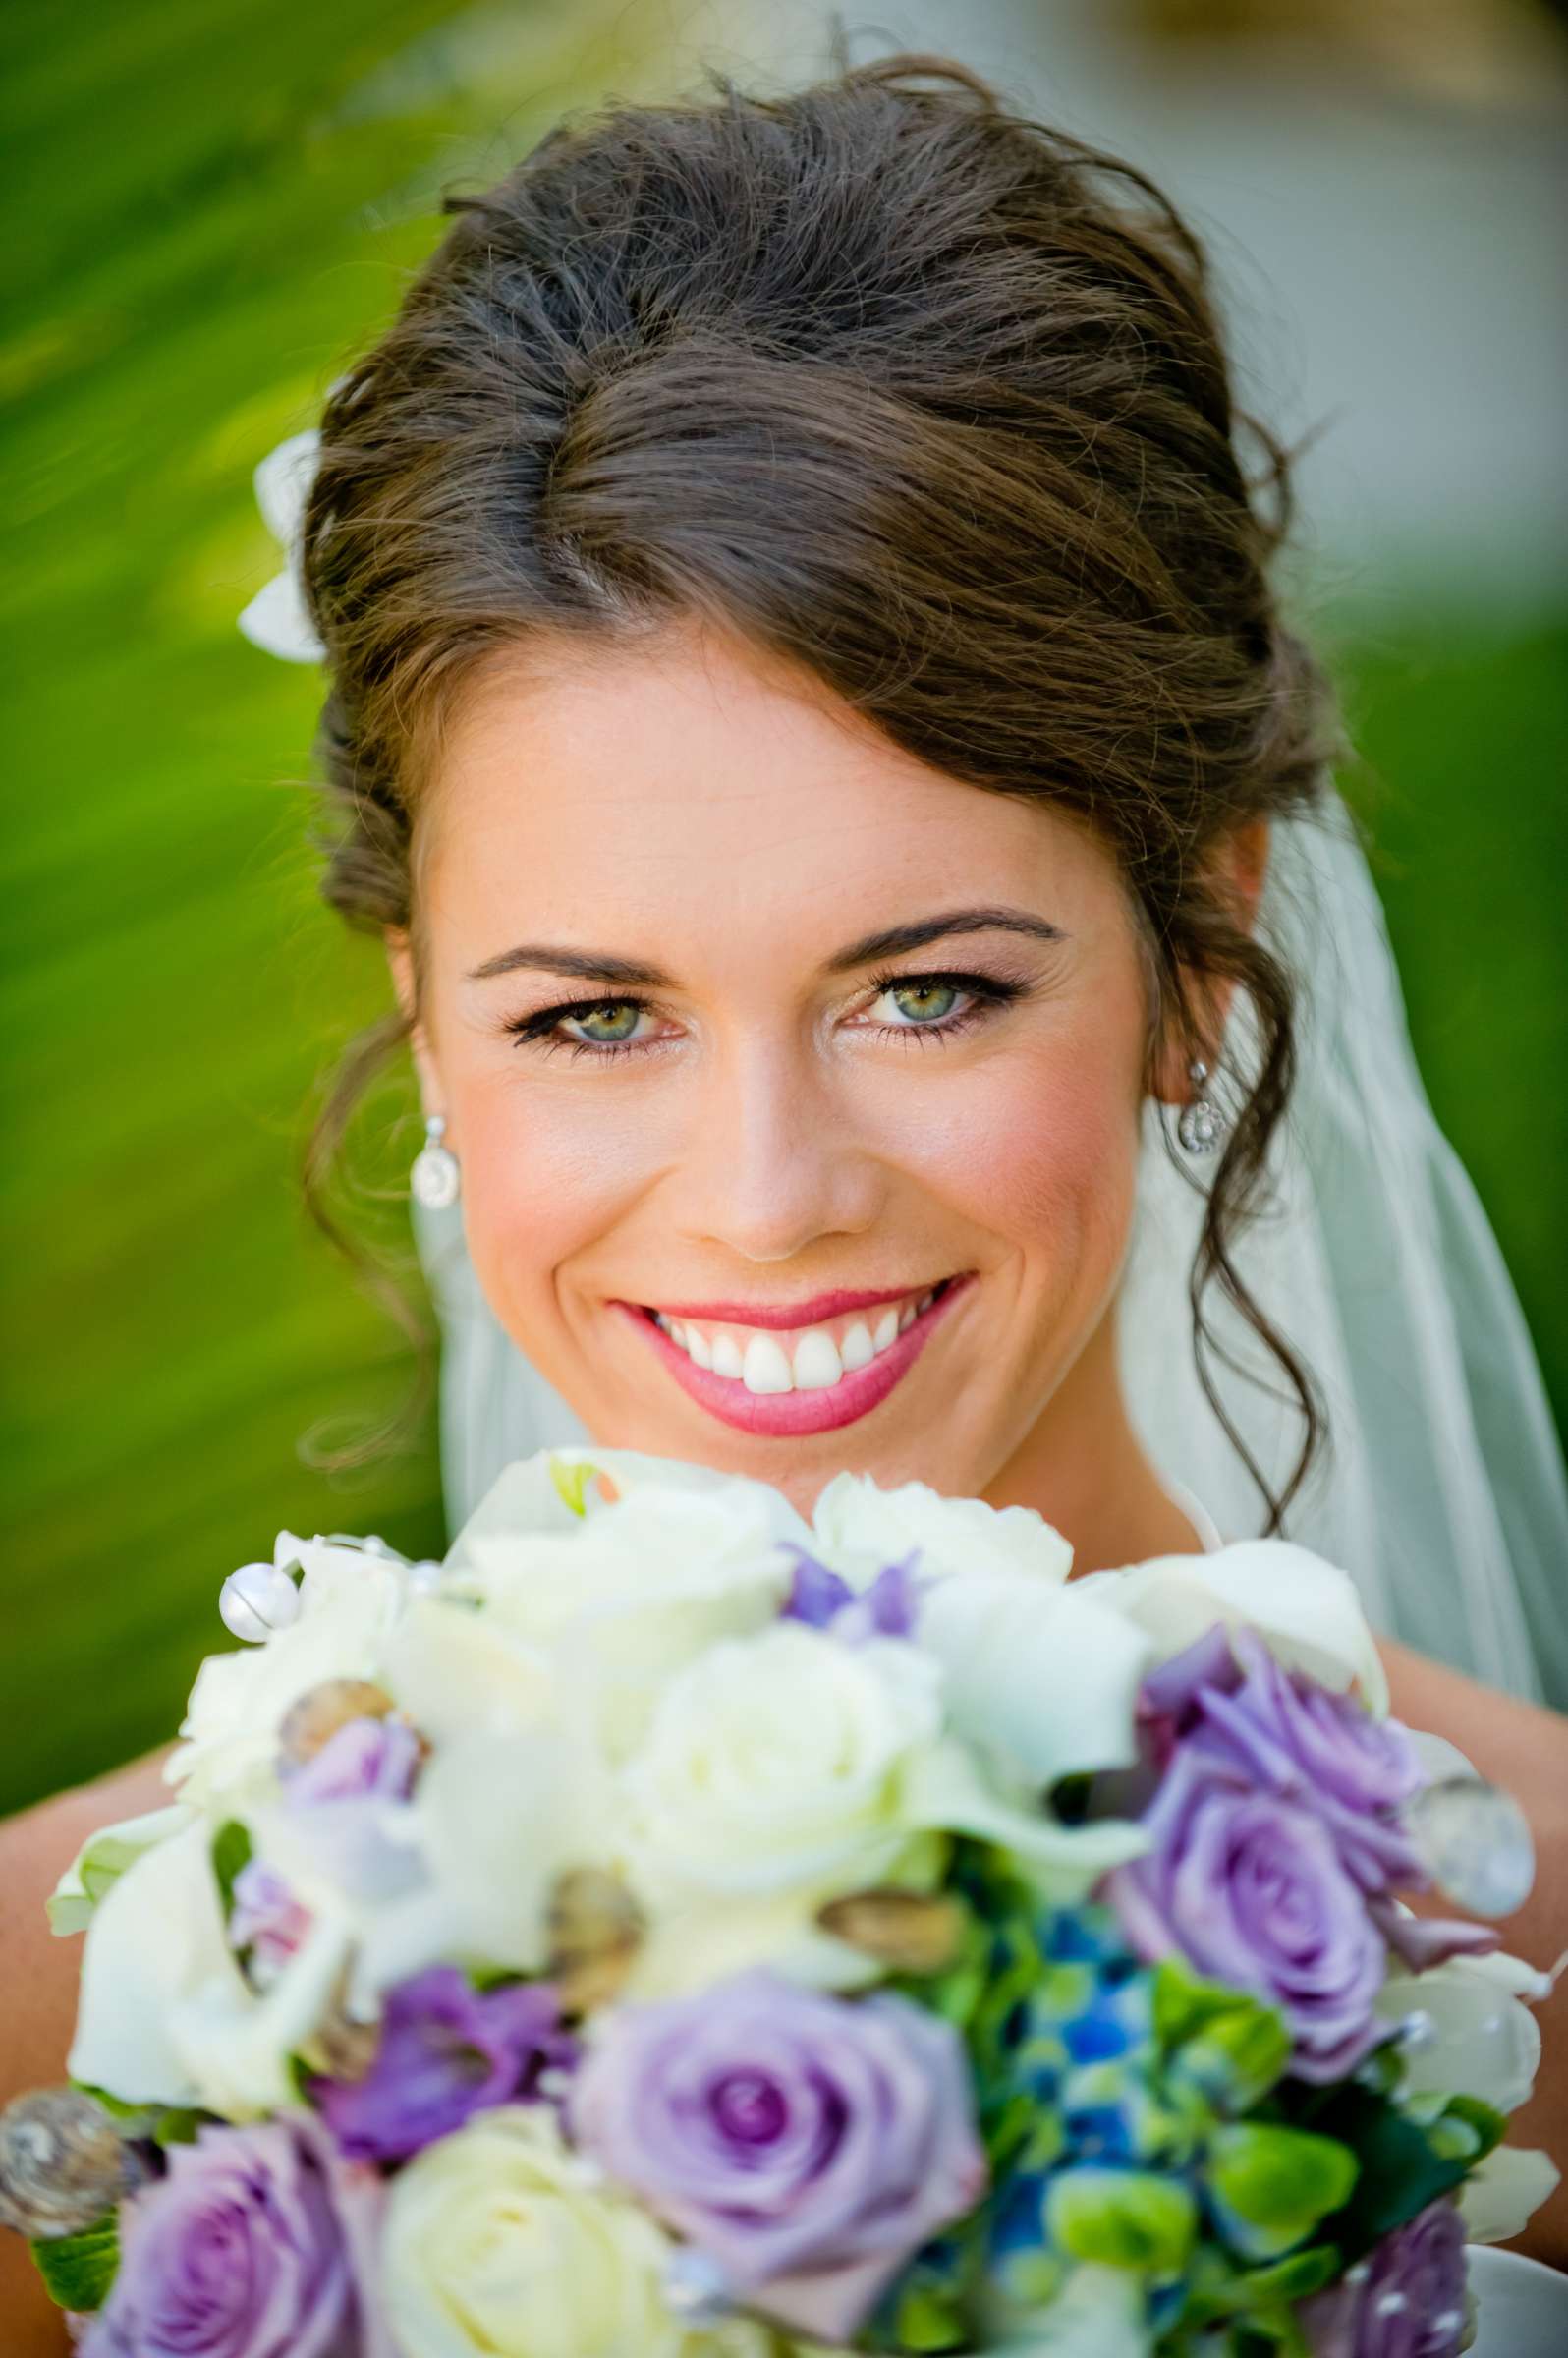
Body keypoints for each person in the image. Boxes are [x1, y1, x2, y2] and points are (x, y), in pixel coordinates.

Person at [3, 49, 1565, 2346]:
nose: (765, 1202)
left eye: (924, 994)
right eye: (593, 1017)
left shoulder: (1535, 1948)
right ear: (424, 1011)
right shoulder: (80, 2009)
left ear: (1199, 959)